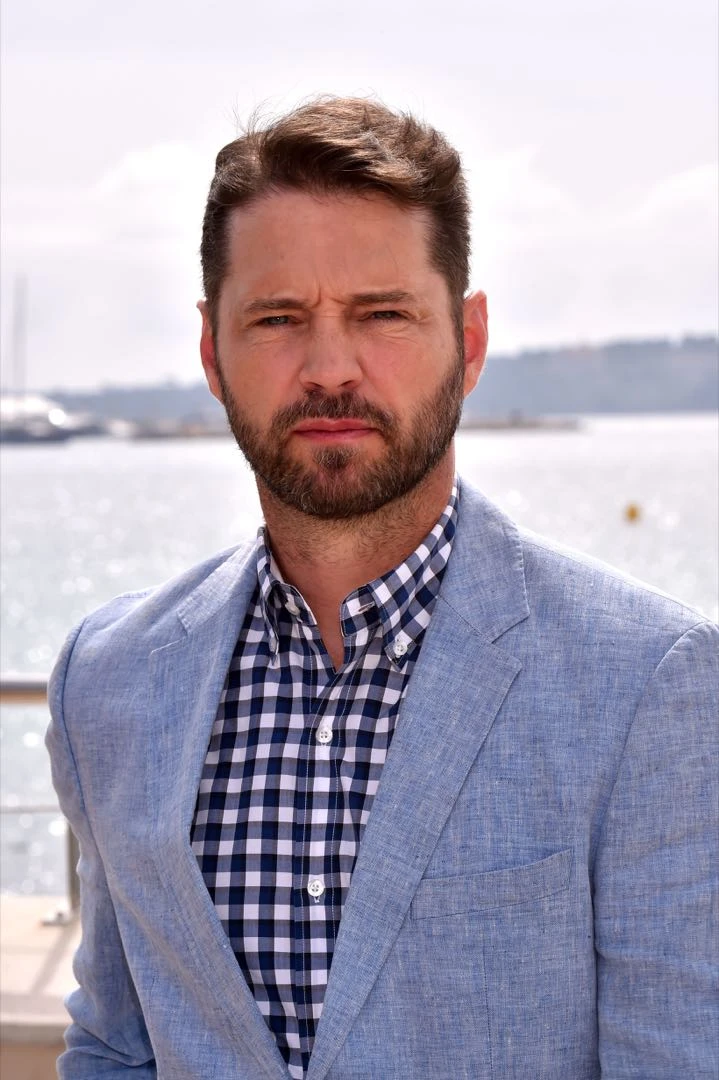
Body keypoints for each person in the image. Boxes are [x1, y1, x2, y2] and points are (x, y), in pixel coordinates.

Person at [46, 97, 718, 1080]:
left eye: (382, 315)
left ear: (469, 340)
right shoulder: (108, 680)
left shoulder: (647, 683)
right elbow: (117, 1045)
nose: (329, 369)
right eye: (277, 319)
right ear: (210, 352)